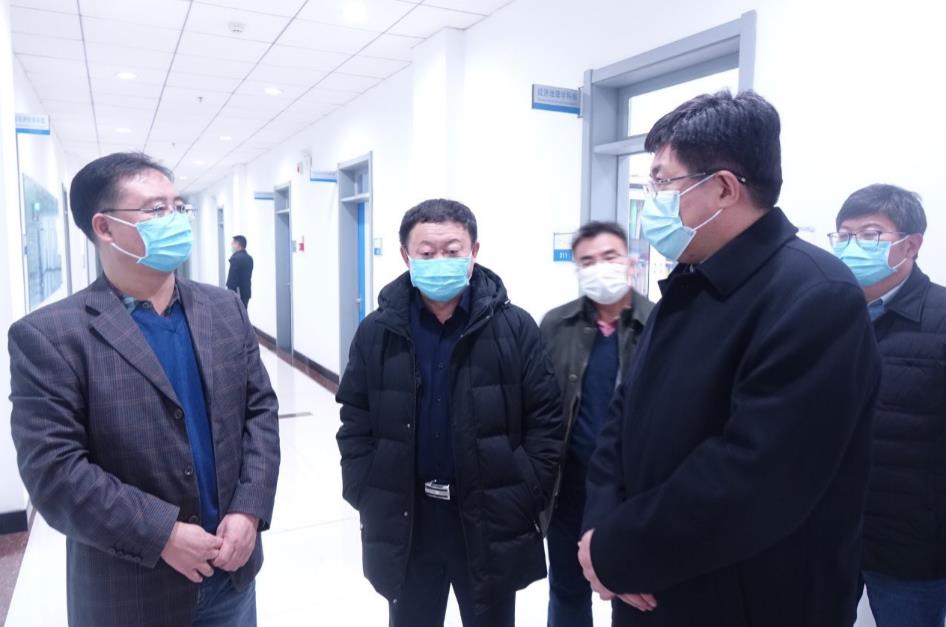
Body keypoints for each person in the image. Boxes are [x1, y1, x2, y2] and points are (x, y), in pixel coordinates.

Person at [577, 91, 881, 627]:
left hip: (750, 599)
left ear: (722, 187)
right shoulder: (692, 279)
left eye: (663, 182)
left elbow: (755, 478)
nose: (654, 200)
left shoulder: (815, 295)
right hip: (650, 580)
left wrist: (618, 549)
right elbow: (625, 413)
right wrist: (601, 526)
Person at [8, 153, 281, 627]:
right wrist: (163, 534)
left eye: (178, 207)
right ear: (105, 227)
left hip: (231, 573)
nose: (175, 220)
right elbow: (55, 473)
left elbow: (260, 412)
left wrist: (250, 510)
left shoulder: (223, 309)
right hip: (131, 589)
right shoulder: (50, 336)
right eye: (157, 210)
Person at [336, 198, 563, 627]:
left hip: (489, 517)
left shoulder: (514, 328)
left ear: (473, 252)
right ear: (406, 257)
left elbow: (546, 420)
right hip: (408, 519)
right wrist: (365, 488)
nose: (440, 261)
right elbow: (355, 416)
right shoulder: (377, 331)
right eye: (426, 252)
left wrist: (526, 491)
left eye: (452, 250)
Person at [830, 184, 946, 627]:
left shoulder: (941, 318)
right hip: (830, 536)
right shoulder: (826, 314)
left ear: (911, 245)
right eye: (844, 236)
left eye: (870, 235)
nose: (852, 246)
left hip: (912, 547)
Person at [539, 221, 653, 627]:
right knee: (567, 592)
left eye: (609, 257)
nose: (599, 267)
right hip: (569, 488)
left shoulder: (661, 323)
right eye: (587, 261)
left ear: (630, 262)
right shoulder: (556, 325)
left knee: (636, 593)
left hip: (633, 491)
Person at [226, 235, 253, 310]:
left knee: (235, 314)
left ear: (238, 245)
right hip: (246, 292)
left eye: (233, 243)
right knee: (243, 312)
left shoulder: (235, 258)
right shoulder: (249, 258)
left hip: (237, 293)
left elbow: (232, 280)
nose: (231, 246)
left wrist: (229, 292)